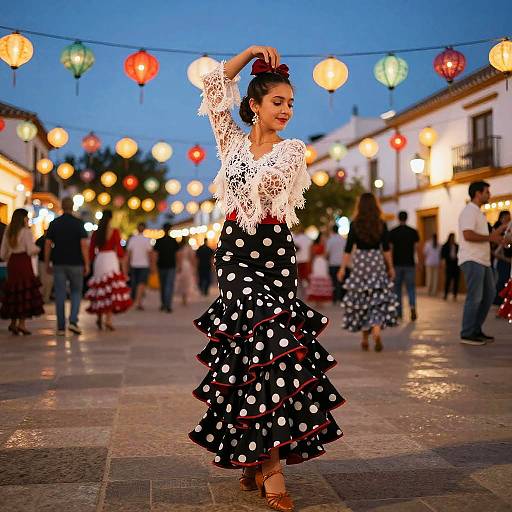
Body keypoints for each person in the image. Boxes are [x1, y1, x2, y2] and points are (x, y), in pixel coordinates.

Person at [189, 46, 344, 512]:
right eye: (278, 101)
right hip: (235, 252)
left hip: (275, 255)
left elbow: (267, 193)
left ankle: (256, 458)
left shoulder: (292, 151)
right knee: (253, 347)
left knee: (268, 352)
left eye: (291, 103)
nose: (287, 111)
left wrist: (253, 165)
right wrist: (252, 52)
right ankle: (271, 467)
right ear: (255, 105)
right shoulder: (230, 143)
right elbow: (215, 85)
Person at [338, 193, 398, 352]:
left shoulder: (355, 224)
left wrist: (343, 268)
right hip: (376, 262)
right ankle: (376, 331)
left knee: (361, 298)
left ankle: (364, 338)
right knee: (377, 297)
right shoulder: (381, 223)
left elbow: (348, 249)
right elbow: (386, 248)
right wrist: (390, 267)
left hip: (361, 263)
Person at [458, 181, 505, 345]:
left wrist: (503, 230)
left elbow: (488, 237)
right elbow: (468, 235)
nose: (489, 195)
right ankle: (467, 332)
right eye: (487, 192)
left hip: (483, 261)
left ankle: (476, 329)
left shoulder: (479, 213)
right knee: (475, 297)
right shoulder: (469, 211)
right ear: (478, 193)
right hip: (472, 259)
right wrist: (491, 237)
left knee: (489, 295)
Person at [45, 197, 89, 336]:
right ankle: (73, 322)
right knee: (76, 292)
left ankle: (60, 327)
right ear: (73, 207)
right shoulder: (78, 223)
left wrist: (47, 262)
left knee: (60, 294)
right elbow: (83, 245)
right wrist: (87, 262)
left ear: (62, 207)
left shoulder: (55, 223)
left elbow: (47, 245)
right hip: (76, 263)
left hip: (58, 262)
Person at [85, 210, 131, 330]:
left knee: (100, 288)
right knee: (111, 289)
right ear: (111, 218)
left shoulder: (96, 232)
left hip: (100, 259)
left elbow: (91, 250)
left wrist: (90, 262)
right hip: (111, 259)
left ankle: (99, 317)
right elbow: (119, 249)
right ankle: (108, 320)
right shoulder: (115, 231)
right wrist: (122, 263)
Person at [0, 209, 44, 334]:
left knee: (14, 292)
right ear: (23, 218)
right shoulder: (26, 232)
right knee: (24, 292)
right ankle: (22, 324)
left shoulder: (9, 231)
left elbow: (3, 253)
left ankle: (13, 323)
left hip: (12, 263)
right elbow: (30, 250)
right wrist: (38, 249)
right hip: (24, 262)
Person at [389, 211, 420, 321]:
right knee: (411, 287)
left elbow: (391, 249)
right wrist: (417, 262)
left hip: (397, 264)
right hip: (410, 263)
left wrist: (390, 265)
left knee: (397, 289)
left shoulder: (393, 232)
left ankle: (399, 312)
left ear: (398, 218)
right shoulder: (413, 232)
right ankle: (412, 307)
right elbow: (415, 249)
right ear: (407, 218)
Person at [125, 222, 153, 310]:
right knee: (141, 283)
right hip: (144, 265)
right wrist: (152, 265)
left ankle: (137, 301)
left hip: (134, 264)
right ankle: (138, 301)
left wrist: (127, 265)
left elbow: (128, 254)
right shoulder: (147, 240)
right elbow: (149, 254)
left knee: (135, 283)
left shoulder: (132, 239)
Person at [153, 222, 180, 311]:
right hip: (171, 265)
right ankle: (168, 305)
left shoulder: (159, 241)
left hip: (161, 265)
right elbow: (177, 254)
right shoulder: (173, 241)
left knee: (163, 285)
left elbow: (155, 254)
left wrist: (153, 265)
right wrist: (179, 265)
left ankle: (164, 304)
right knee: (169, 285)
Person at [306, 233, 333, 305]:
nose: (324, 238)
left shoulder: (326, 245)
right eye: (323, 237)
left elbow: (327, 255)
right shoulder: (314, 245)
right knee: (317, 279)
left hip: (323, 263)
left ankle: (321, 300)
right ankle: (317, 300)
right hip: (317, 262)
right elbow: (311, 255)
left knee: (323, 279)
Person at [492, 211, 511, 305]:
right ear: (501, 218)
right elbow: (496, 251)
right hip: (501, 261)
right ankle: (499, 302)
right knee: (501, 281)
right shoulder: (498, 231)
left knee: (506, 281)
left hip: (506, 260)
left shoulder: (507, 231)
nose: (508, 220)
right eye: (506, 218)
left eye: (509, 219)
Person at [326, 224, 346, 304]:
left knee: (334, 282)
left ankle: (334, 299)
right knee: (341, 282)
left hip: (333, 263)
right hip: (341, 264)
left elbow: (327, 253)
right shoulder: (343, 240)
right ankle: (341, 298)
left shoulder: (330, 240)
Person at [175, 237, 197, 306]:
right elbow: (192, 258)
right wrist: (194, 267)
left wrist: (178, 266)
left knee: (181, 282)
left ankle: (183, 297)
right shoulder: (188, 248)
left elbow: (177, 258)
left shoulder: (179, 248)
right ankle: (185, 298)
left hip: (181, 266)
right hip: (187, 266)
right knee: (187, 282)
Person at [292, 225, 312, 299]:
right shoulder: (308, 239)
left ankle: (299, 295)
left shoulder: (295, 238)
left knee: (298, 280)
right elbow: (310, 251)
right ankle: (306, 294)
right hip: (306, 261)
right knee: (305, 279)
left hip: (297, 261)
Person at [36, 229, 53, 303]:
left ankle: (46, 298)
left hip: (48, 262)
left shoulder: (49, 240)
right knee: (43, 281)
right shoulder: (40, 240)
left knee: (49, 281)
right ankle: (42, 298)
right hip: (42, 262)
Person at [441, 233, 460, 300]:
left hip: (456, 264)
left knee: (456, 280)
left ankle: (455, 295)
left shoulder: (457, 245)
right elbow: (442, 255)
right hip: (449, 264)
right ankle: (445, 294)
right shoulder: (445, 246)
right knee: (448, 280)